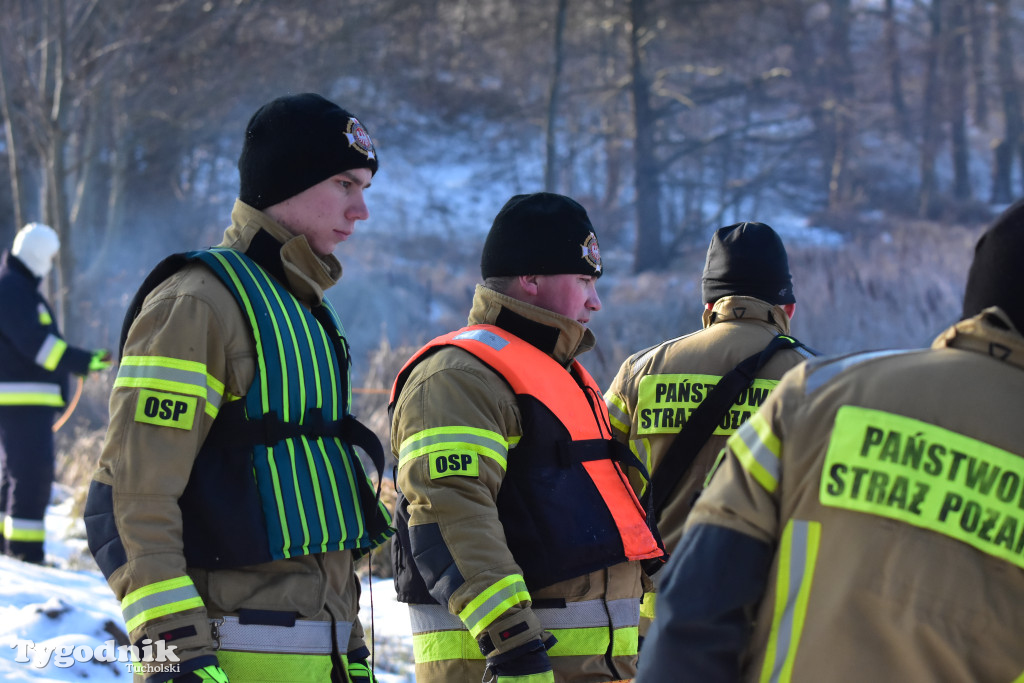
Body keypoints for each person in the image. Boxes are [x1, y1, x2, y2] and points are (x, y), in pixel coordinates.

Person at [635, 201, 1024, 682]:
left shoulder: (818, 396)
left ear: (707, 307)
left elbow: (694, 597)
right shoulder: (804, 375)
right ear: (789, 309)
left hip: (644, 621)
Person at [84, 93, 394, 683]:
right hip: (228, 660)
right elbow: (130, 499)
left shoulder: (308, 313)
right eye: (345, 184)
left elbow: (317, 516)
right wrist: (173, 655)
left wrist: (350, 650)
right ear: (288, 181)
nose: (361, 211)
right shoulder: (197, 302)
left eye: (365, 190)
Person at [389, 191, 664, 683]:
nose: (595, 301)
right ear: (530, 279)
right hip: (509, 670)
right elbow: (450, 515)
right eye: (583, 280)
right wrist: (514, 649)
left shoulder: (559, 376)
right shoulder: (458, 377)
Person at [604, 222, 814, 635]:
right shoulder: (818, 380)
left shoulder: (639, 373)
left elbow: (595, 488)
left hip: (657, 624)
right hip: (766, 622)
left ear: (709, 305)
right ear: (786, 307)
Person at [0, 222, 111, 564]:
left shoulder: (17, 288)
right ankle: (25, 553)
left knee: (15, 474)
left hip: (24, 401)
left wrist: (80, 362)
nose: (49, 265)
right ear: (37, 255)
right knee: (32, 475)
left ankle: (10, 550)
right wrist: (80, 360)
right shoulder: (13, 290)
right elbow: (39, 346)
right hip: (23, 401)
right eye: (48, 257)